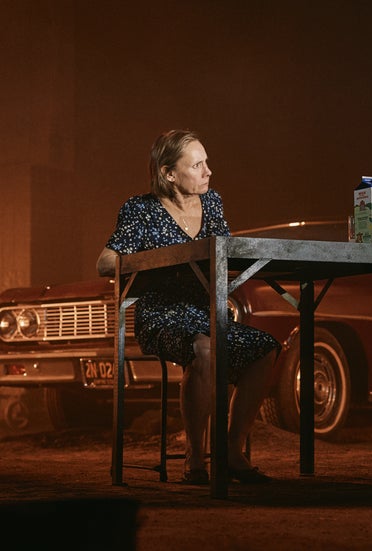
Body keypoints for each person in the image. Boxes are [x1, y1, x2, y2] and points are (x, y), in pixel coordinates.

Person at [97, 129, 280, 485]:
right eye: (197, 165)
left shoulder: (212, 203)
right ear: (169, 173)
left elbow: (225, 252)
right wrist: (164, 260)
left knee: (265, 349)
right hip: (160, 314)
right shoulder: (141, 210)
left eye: (206, 162)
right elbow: (105, 262)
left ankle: (231, 452)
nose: (208, 171)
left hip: (206, 314)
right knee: (205, 348)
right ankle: (195, 458)